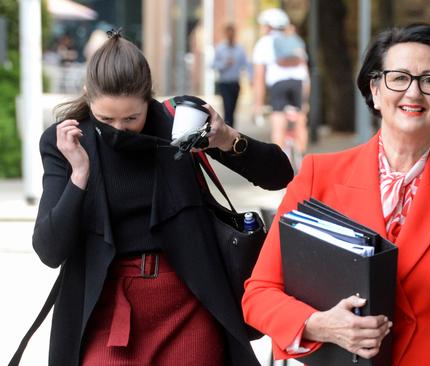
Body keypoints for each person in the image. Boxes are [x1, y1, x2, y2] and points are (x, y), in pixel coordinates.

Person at [242, 23, 430, 365]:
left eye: (429, 80)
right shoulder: (318, 175)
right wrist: (320, 325)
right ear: (376, 90)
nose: (413, 93)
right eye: (399, 78)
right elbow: (259, 295)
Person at [32, 30, 293, 365]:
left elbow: (279, 176)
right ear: (87, 97)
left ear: (148, 99)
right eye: (106, 119)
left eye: (131, 118)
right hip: (109, 308)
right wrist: (79, 175)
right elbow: (49, 250)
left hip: (187, 303)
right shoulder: (67, 142)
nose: (119, 129)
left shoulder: (179, 123)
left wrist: (227, 138)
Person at [252, 8, 310, 164]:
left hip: (278, 86)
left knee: (278, 126)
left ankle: (280, 164)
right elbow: (304, 70)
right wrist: (305, 100)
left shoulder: (263, 43)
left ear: (269, 26)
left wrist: (257, 105)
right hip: (298, 83)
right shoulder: (295, 39)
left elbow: (259, 77)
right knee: (300, 121)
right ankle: (301, 159)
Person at [213, 24, 249, 127]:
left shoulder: (240, 49)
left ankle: (231, 130)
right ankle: (227, 129)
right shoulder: (220, 48)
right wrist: (224, 64)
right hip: (224, 83)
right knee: (227, 108)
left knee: (233, 109)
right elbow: (213, 65)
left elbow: (245, 64)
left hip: (235, 83)